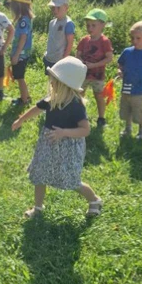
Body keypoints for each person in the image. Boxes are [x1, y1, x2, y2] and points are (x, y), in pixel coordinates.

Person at [12, 57, 103, 218]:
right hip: (48, 143)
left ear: (65, 84)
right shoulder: (52, 99)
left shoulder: (76, 105)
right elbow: (36, 109)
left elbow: (85, 130)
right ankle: (38, 208)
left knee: (70, 180)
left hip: (67, 147)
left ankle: (94, 200)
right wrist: (21, 120)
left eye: (55, 79)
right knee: (40, 173)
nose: (51, 82)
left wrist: (64, 132)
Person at [75, 8, 114, 128]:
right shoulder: (84, 40)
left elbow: (109, 58)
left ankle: (101, 118)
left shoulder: (104, 41)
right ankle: (79, 116)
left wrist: (94, 65)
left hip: (98, 75)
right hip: (84, 74)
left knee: (99, 96)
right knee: (79, 94)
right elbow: (78, 54)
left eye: (93, 25)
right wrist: (81, 62)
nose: (90, 28)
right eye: (88, 25)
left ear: (102, 25)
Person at [7, 0, 34, 107]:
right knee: (20, 76)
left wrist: (16, 55)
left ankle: (24, 101)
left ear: (18, 6)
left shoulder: (23, 20)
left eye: (13, 5)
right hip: (24, 54)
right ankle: (26, 96)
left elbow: (23, 38)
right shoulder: (26, 19)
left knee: (19, 77)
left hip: (21, 55)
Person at [44, 0, 75, 72]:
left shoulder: (68, 23)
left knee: (58, 83)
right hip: (49, 58)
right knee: (50, 81)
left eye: (58, 7)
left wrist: (64, 60)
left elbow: (70, 43)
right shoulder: (51, 22)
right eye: (53, 8)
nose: (55, 10)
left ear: (66, 7)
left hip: (59, 61)